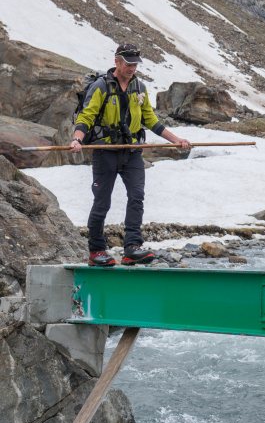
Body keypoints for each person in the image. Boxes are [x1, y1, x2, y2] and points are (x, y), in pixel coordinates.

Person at [69, 43, 192, 267]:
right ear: (117, 61)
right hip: (105, 152)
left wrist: (176, 140)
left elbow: (150, 120)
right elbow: (86, 116)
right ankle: (96, 251)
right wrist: (77, 139)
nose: (132, 68)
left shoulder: (139, 88)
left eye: (135, 64)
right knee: (102, 201)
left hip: (132, 152)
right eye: (128, 63)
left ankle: (132, 248)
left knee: (137, 196)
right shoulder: (101, 87)